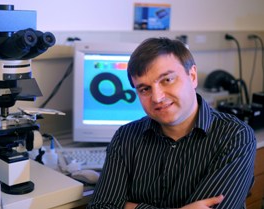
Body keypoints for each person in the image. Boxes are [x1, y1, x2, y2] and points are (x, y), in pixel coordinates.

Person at [87, 37, 256, 209]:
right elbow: (101, 206)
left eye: (167, 80)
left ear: (192, 76)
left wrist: (129, 206)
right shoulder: (125, 137)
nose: (157, 97)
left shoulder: (235, 136)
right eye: (145, 89)